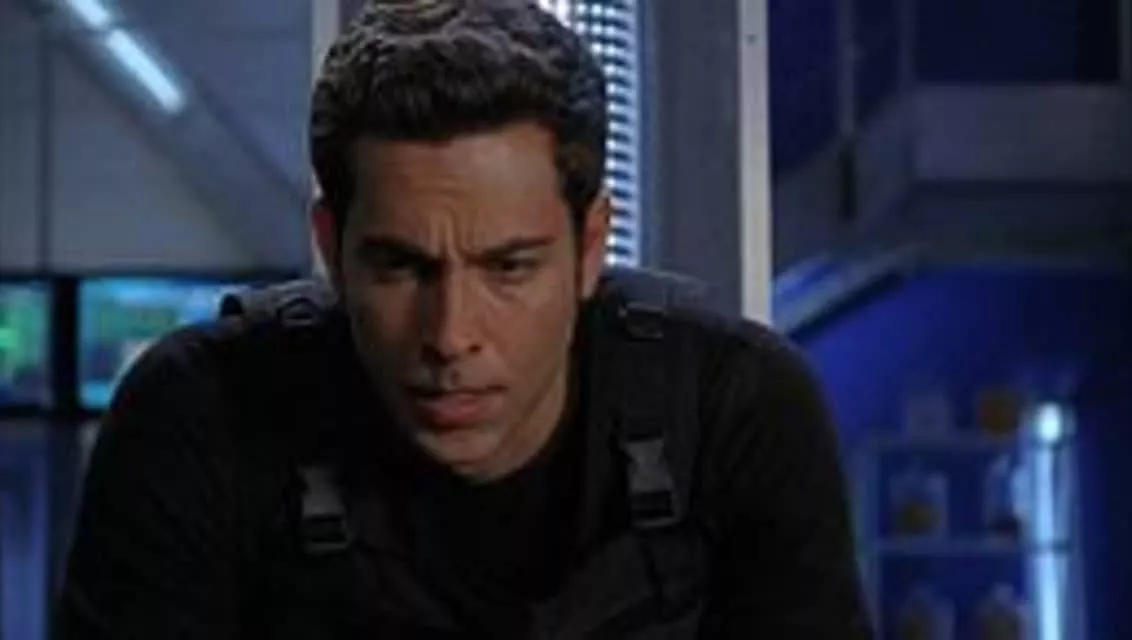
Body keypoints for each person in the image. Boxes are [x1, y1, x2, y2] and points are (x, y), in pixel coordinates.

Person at [54, 0, 873, 637]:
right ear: (331, 246)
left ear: (591, 247)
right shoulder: (205, 413)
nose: (449, 336)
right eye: (400, 266)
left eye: (508, 267)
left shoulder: (731, 411)